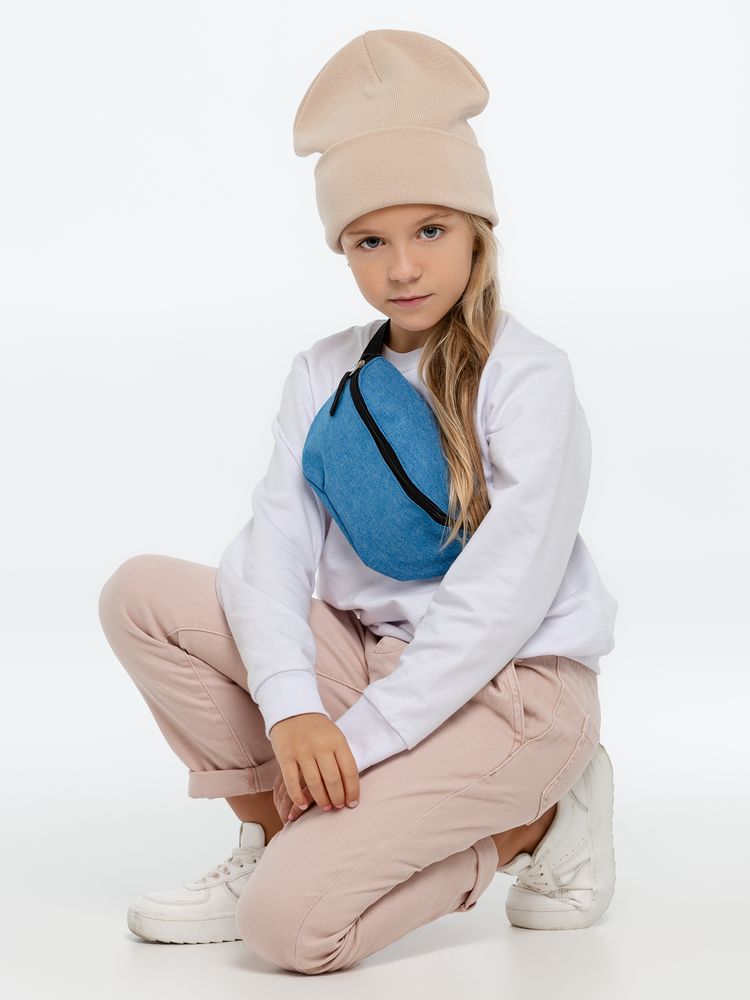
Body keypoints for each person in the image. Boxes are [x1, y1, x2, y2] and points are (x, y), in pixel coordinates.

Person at [98, 29, 618, 973]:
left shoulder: (529, 376)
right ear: (342, 247)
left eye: (431, 231)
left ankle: (534, 824)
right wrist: (293, 710)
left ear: (477, 229)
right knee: (140, 595)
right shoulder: (324, 371)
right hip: (374, 661)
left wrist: (361, 737)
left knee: (288, 931)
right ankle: (274, 838)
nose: (402, 268)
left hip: (513, 693)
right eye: (370, 240)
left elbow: (502, 595)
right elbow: (272, 550)